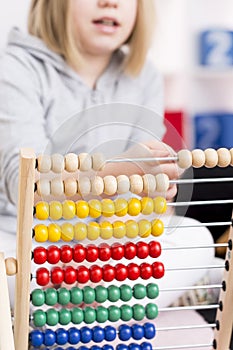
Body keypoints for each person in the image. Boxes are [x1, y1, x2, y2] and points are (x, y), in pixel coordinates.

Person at [0, 0, 215, 310]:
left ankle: (77, 308)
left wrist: (149, 190)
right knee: (11, 274)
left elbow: (134, 201)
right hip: (25, 242)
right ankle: (93, 310)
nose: (110, 2)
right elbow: (24, 183)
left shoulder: (144, 76)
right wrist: (118, 171)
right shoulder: (16, 67)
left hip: (102, 243)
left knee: (196, 239)